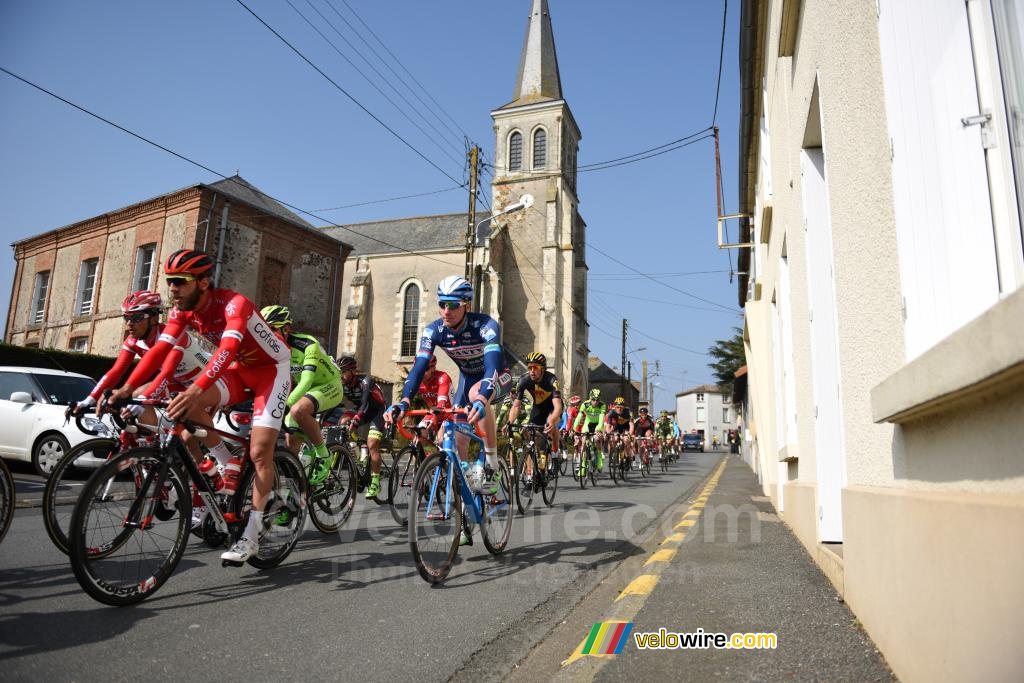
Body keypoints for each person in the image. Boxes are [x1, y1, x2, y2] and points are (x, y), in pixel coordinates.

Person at [105, 249, 291, 564]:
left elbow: (228, 349)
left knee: (260, 452)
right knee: (183, 405)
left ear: (203, 282)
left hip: (271, 370)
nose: (173, 289)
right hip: (239, 370)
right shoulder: (181, 311)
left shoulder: (235, 304)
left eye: (181, 281)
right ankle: (226, 460)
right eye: (170, 282)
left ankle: (251, 536)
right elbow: (157, 352)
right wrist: (125, 388)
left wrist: (196, 389)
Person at [386, 275, 512, 499]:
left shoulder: (485, 326)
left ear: (466, 304)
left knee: (475, 394)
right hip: (468, 378)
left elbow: (492, 364)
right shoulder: (433, 331)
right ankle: (467, 500)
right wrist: (405, 400)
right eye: (442, 304)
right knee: (458, 440)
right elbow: (418, 368)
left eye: (453, 305)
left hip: (497, 376)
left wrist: (483, 397)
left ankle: (492, 464)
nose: (446, 310)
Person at [260, 305, 343, 486]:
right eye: (265, 330)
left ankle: (324, 454)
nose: (268, 334)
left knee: (297, 410)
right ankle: (295, 496)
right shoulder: (272, 350)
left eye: (273, 329)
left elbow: (305, 381)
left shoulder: (307, 344)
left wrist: (285, 404)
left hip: (328, 385)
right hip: (307, 392)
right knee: (290, 443)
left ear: (286, 328)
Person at [334, 356, 388, 499]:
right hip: (360, 409)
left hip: (377, 411)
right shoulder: (341, 383)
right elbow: (334, 402)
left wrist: (357, 419)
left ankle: (375, 482)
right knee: (342, 422)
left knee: (372, 444)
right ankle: (359, 456)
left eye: (344, 372)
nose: (341, 375)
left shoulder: (365, 381)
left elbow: (364, 403)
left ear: (352, 371)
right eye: (339, 372)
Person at [504, 352, 563, 476]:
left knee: (551, 428)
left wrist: (552, 421)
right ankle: (530, 475)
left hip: (553, 409)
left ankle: (555, 454)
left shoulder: (552, 380)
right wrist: (509, 422)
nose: (532, 371)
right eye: (529, 368)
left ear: (542, 369)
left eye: (535, 368)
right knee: (530, 436)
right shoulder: (524, 380)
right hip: (539, 408)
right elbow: (516, 405)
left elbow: (558, 406)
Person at [573, 389, 607, 471]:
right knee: (584, 442)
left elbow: (601, 420)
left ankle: (599, 457)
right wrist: (574, 428)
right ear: (590, 398)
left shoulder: (602, 405)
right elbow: (578, 417)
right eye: (593, 399)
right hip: (588, 424)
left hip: (598, 424)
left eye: (597, 399)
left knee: (596, 439)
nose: (595, 401)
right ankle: (582, 464)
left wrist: (598, 430)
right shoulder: (585, 404)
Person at [605, 396, 634, 465]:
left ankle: (627, 458)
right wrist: (608, 432)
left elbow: (631, 425)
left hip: (626, 428)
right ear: (615, 407)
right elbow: (608, 425)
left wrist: (629, 434)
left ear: (624, 407)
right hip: (617, 427)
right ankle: (615, 454)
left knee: (626, 440)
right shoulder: (612, 412)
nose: (619, 409)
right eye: (617, 407)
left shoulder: (628, 412)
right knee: (614, 439)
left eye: (621, 407)